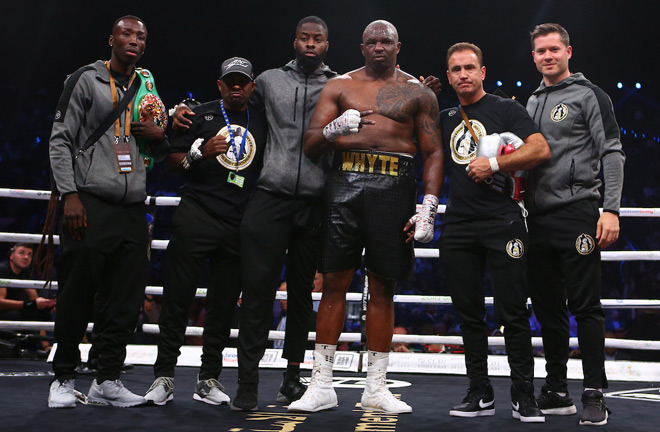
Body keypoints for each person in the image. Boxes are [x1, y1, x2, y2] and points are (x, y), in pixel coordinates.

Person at [288, 19, 443, 414]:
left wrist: (428, 206)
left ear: (398, 45)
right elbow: (308, 145)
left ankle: (376, 387)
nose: (378, 47)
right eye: (371, 41)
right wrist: (332, 130)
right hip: (343, 185)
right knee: (334, 282)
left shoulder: (418, 92)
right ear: (361, 47)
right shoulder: (339, 86)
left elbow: (435, 151)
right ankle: (321, 384)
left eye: (385, 41)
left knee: (383, 287)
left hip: (394, 187)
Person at [47, 15, 168, 408]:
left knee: (125, 299)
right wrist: (70, 195)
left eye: (141, 36)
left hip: (133, 207)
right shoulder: (84, 79)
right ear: (111, 39)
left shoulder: (145, 85)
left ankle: (107, 380)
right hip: (90, 202)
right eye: (127, 33)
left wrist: (160, 136)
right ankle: (63, 378)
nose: (133, 40)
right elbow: (60, 141)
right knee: (77, 295)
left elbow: (154, 149)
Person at [143, 57, 266, 406]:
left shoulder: (262, 120)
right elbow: (169, 165)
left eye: (243, 81)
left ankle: (209, 378)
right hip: (196, 214)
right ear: (220, 85)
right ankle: (164, 375)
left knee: (223, 306)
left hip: (238, 222)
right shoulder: (198, 115)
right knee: (178, 298)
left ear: (253, 86)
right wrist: (199, 153)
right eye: (231, 82)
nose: (237, 86)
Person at [438, 42, 551, 422]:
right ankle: (479, 391)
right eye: (456, 69)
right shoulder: (446, 115)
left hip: (502, 220)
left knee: (513, 311)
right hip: (457, 223)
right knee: (468, 313)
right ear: (449, 75)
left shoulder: (506, 108)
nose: (463, 74)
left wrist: (495, 164)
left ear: (482, 72)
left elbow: (540, 150)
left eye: (470, 67)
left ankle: (524, 394)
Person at [526, 23, 625, 426]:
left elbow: (612, 152)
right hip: (535, 218)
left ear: (569, 51)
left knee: (586, 306)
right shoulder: (530, 101)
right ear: (533, 56)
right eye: (540, 51)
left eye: (553, 49)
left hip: (578, 212)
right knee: (548, 308)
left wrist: (612, 209)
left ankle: (595, 393)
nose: (547, 56)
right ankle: (555, 389)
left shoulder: (589, 95)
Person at [0, 243, 56, 321]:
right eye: (21, 253)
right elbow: (1, 303)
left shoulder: (26, 271)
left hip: (15, 310)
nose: (26, 257)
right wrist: (31, 304)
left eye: (29, 254)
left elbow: (34, 299)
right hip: (5, 312)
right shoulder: (2, 269)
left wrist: (47, 305)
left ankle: (39, 334)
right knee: (15, 315)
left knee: (44, 315)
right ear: (11, 256)